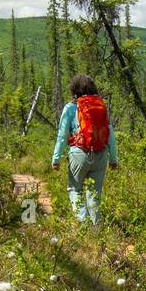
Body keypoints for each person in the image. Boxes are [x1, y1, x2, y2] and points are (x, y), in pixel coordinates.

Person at [51, 74, 119, 225]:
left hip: (79, 154)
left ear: (74, 90)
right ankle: (95, 229)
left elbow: (62, 135)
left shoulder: (70, 108)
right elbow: (110, 135)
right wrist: (114, 159)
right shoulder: (100, 106)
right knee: (94, 194)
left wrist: (56, 159)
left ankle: (83, 226)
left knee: (75, 189)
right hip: (101, 155)